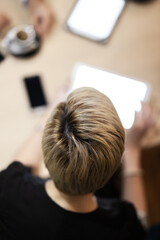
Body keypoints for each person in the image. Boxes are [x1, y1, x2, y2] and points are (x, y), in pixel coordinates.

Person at [0, 87, 156, 239]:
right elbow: (140, 221)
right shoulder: (122, 227)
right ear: (115, 165)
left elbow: (20, 165)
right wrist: (133, 150)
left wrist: (51, 111)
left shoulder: (8, 191)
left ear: (46, 153)